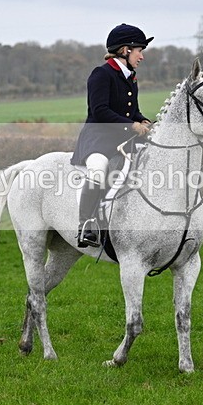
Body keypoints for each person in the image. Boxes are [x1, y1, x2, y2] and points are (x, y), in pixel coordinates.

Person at [70, 23, 153, 247]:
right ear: (126, 50)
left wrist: (142, 120)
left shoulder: (130, 77)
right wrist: (132, 125)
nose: (142, 57)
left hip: (122, 140)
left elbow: (131, 110)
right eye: (140, 51)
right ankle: (86, 225)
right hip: (98, 140)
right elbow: (100, 111)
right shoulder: (101, 74)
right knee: (98, 170)